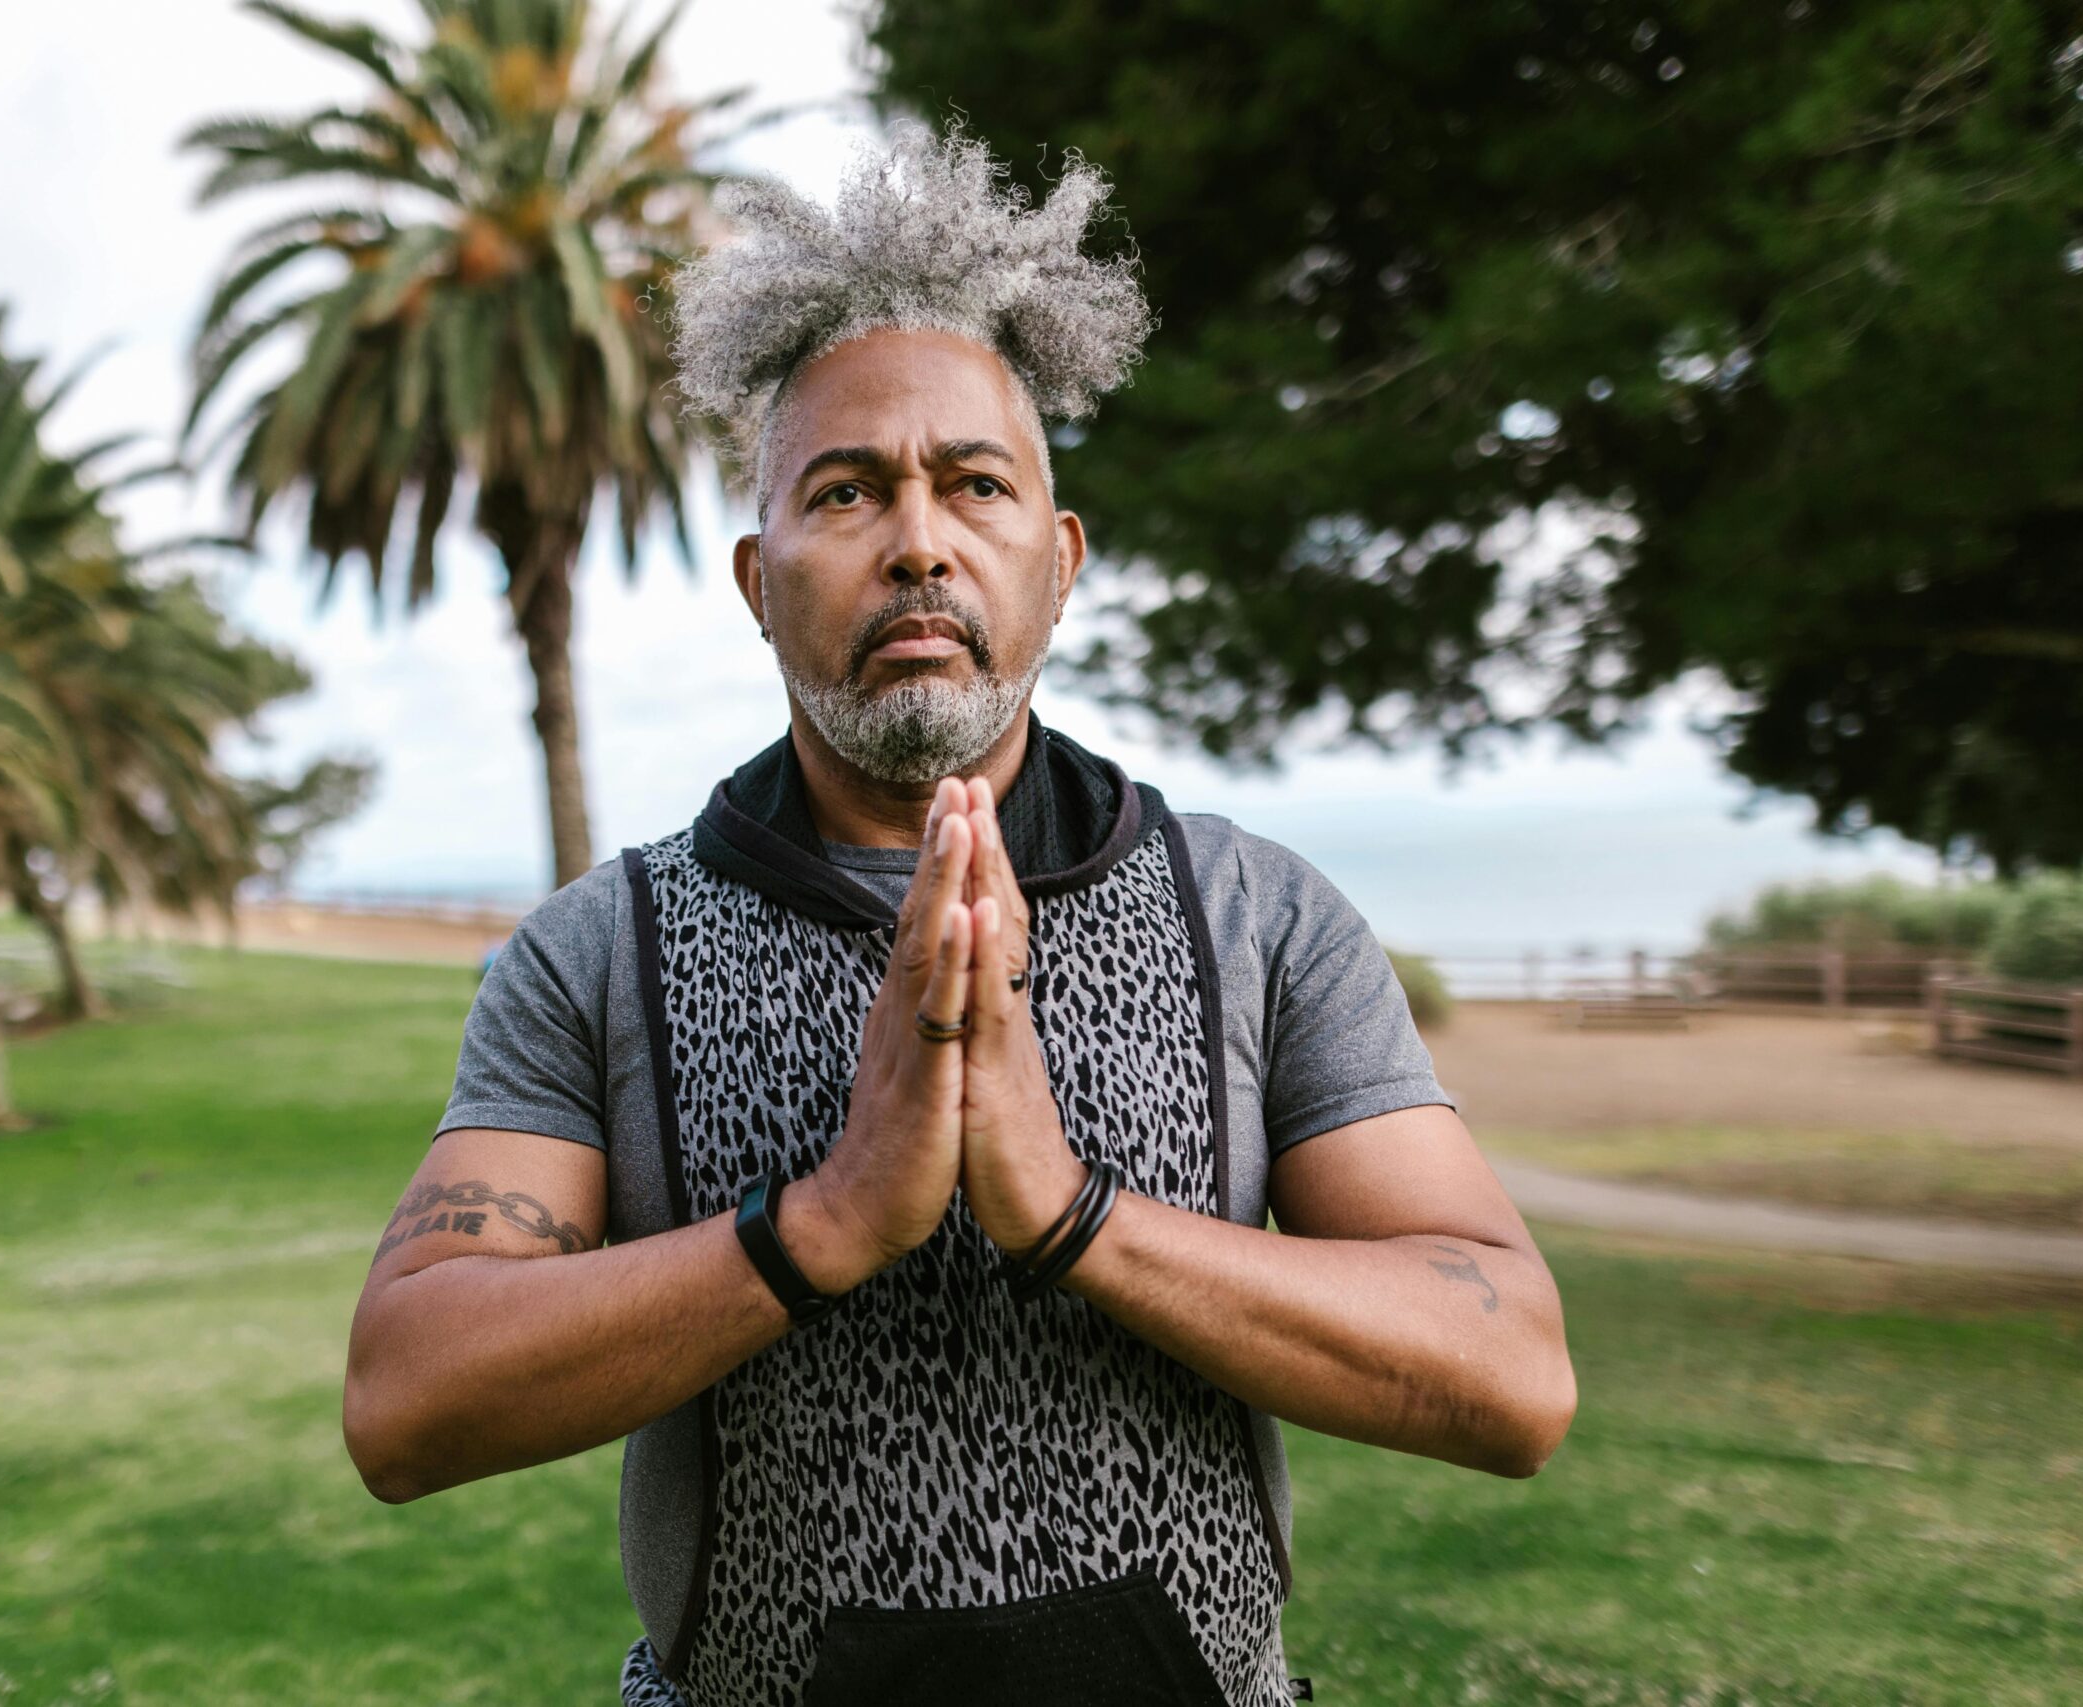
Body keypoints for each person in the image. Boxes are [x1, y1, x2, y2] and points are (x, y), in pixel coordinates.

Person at [342, 121, 1576, 1707]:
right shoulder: (601, 949)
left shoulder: (1258, 915)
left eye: (974, 484)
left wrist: (1070, 1215)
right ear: (757, 576)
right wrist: (827, 1221)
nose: (918, 539)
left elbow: (1514, 1376)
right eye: (846, 492)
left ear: (1056, 562)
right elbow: (406, 1402)